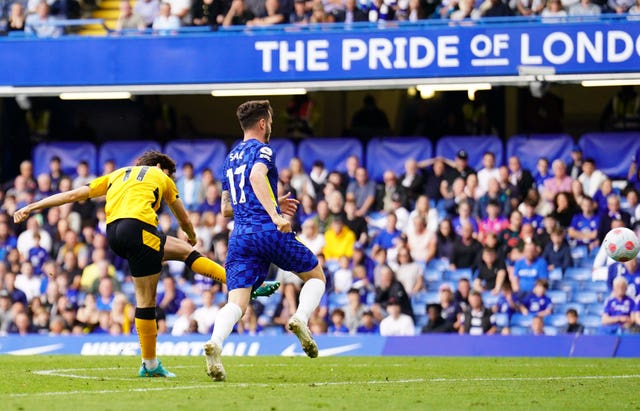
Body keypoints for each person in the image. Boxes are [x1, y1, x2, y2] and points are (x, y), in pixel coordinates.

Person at [13, 150, 278, 378]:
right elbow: (182, 216)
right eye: (170, 174)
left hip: (114, 234)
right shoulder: (161, 177)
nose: (170, 178)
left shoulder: (118, 174)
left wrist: (33, 206)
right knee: (149, 296)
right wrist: (194, 235)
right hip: (140, 230)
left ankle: (240, 286)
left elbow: (75, 194)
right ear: (161, 167)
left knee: (180, 255)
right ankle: (151, 363)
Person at [203, 100, 326, 382]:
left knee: (237, 303)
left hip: (240, 237)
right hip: (266, 230)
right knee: (315, 276)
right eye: (269, 122)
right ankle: (300, 318)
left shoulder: (229, 157)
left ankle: (215, 344)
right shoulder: (264, 150)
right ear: (262, 123)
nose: (270, 127)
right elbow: (258, 175)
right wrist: (276, 213)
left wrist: (272, 200)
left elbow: (225, 208)